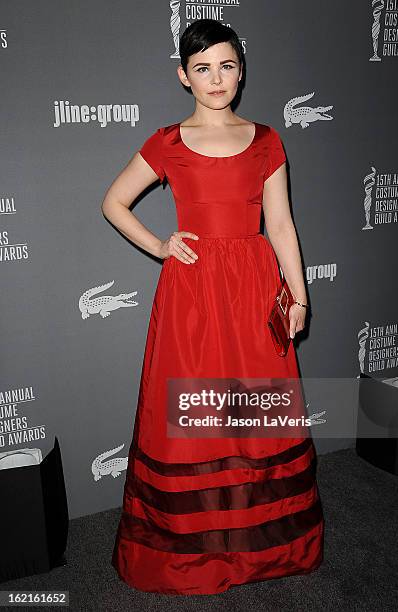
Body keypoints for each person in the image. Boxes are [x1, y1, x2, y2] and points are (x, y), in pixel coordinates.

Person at [102, 18, 324, 596]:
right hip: (193, 295)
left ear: (241, 70)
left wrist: (298, 295)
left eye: (226, 65)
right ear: (184, 76)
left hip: (254, 289)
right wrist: (160, 244)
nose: (216, 77)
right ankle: (194, 555)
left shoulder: (270, 139)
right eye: (202, 68)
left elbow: (280, 224)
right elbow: (114, 202)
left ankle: (265, 548)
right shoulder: (166, 143)